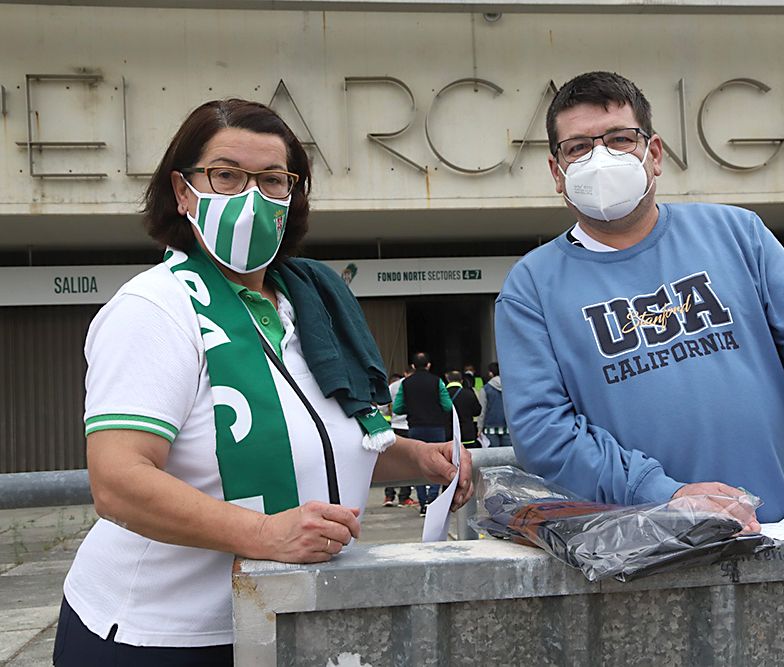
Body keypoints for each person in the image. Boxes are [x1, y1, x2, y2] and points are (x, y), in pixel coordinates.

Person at [55, 99, 473, 666]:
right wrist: (263, 534)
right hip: (163, 636)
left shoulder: (308, 305)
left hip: (281, 619)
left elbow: (316, 444)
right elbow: (118, 480)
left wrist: (421, 458)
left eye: (273, 180)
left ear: (291, 198)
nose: (250, 197)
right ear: (183, 192)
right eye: (226, 175)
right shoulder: (155, 308)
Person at [494, 71, 784, 543]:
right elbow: (544, 434)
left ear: (653, 154)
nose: (601, 158)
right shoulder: (531, 287)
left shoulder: (737, 235)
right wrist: (666, 494)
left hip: (774, 538)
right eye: (578, 148)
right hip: (636, 557)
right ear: (557, 172)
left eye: (620, 139)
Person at [393, 352, 453, 515]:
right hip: (435, 427)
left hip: (415, 427)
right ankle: (432, 499)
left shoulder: (405, 383)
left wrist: (412, 408)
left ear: (412, 366)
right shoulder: (437, 381)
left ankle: (422, 503)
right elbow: (447, 406)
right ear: (428, 365)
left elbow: (397, 408)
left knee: (418, 464)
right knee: (438, 463)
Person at [383, 372, 417, 507]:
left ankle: (389, 495)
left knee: (391, 461)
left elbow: (383, 406)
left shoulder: (393, 386)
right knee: (409, 463)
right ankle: (404, 496)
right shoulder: (416, 385)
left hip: (395, 426)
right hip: (410, 426)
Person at [445, 370, 483, 448]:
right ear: (461, 381)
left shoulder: (442, 394)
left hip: (448, 435)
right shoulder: (469, 393)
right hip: (467, 434)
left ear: (448, 379)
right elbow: (477, 411)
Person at [479, 362, 511, 448]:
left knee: (493, 457)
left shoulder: (485, 389)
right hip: (508, 426)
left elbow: (482, 410)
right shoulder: (510, 388)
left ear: (490, 373)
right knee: (509, 457)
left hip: (490, 427)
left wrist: (479, 428)